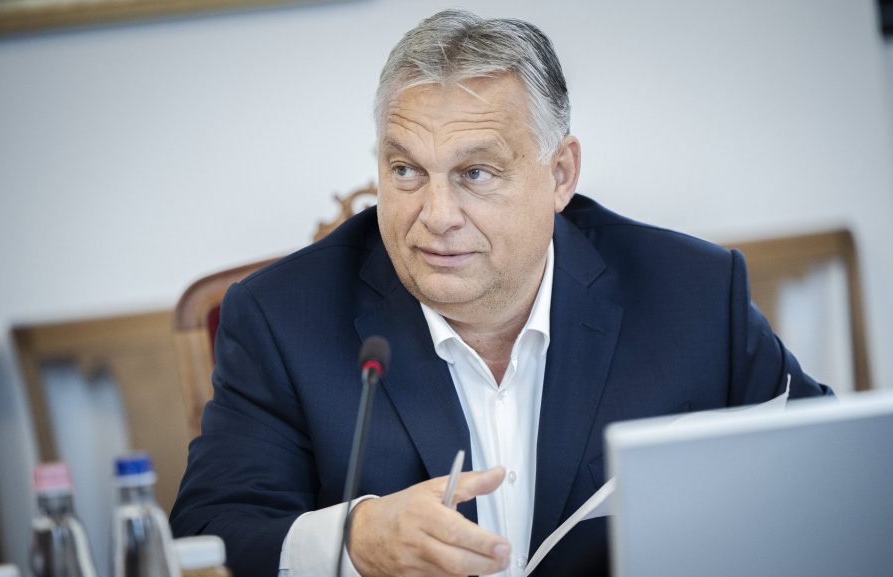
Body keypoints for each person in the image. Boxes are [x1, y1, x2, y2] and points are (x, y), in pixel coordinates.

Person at [170, 9, 833, 577]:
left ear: (560, 174)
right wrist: (356, 539)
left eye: (476, 173)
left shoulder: (692, 295)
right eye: (405, 170)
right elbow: (208, 533)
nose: (436, 215)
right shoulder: (282, 319)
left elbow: (830, 471)